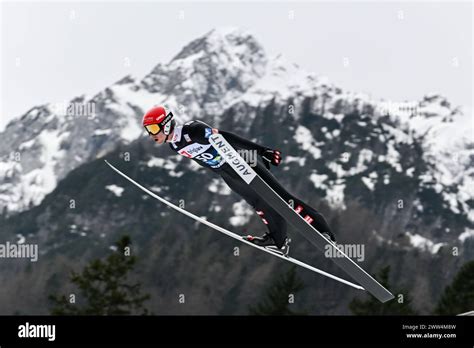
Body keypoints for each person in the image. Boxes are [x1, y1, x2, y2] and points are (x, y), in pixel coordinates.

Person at [142, 105, 336, 256]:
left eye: (152, 128)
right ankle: (278, 240)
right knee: (260, 203)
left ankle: (323, 231)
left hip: (243, 163)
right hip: (228, 174)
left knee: (282, 199)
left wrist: (261, 151)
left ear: (166, 123)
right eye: (147, 130)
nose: (151, 134)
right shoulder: (174, 145)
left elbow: (226, 137)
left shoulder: (193, 131)